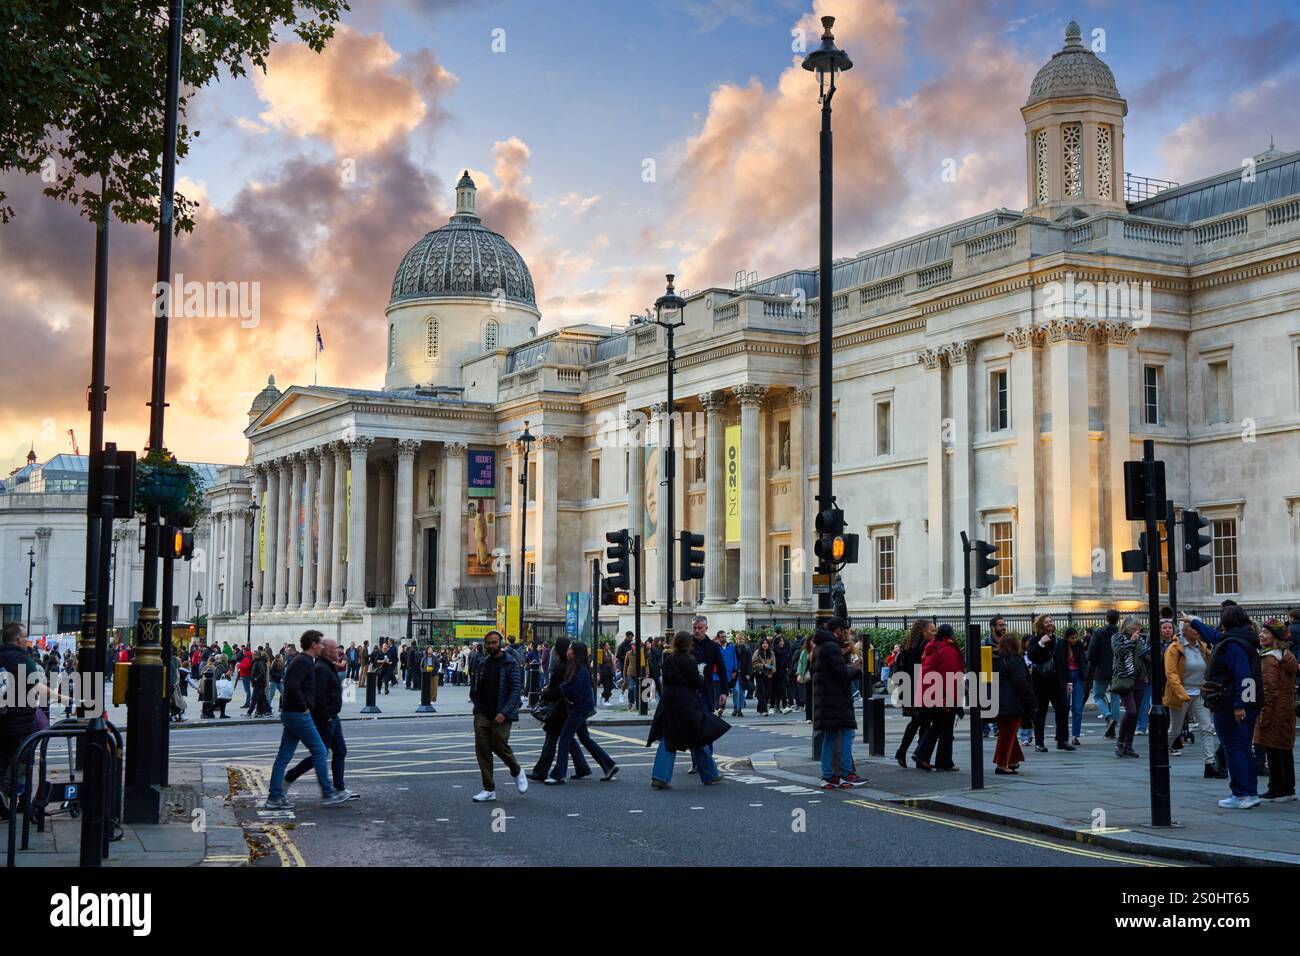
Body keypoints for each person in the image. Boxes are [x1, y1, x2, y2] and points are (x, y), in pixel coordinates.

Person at [263, 630, 350, 809]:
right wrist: (304, 707)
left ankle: (275, 796)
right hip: (297, 714)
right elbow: (292, 686)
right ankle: (327, 792)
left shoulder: (305, 661)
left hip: (293, 713)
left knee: (284, 756)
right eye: (320, 643)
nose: (322, 646)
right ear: (313, 644)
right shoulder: (303, 662)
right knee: (319, 751)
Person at [647, 630, 728, 789]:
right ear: (688, 644)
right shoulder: (689, 661)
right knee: (698, 737)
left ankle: (660, 776)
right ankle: (710, 774)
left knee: (668, 740)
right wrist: (700, 673)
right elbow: (697, 683)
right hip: (687, 703)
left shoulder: (669, 660)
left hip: (669, 702)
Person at [283, 638, 356, 800]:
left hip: (332, 717)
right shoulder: (321, 668)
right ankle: (289, 777)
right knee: (319, 753)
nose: (338, 651)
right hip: (326, 718)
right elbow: (319, 695)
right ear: (327, 651)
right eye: (335, 649)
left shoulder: (328, 666)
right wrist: (327, 717)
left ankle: (339, 787)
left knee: (340, 750)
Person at [468, 630, 527, 802]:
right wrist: (477, 705)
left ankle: (516, 771)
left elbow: (516, 690)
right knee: (482, 750)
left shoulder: (510, 663)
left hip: (502, 714)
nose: (492, 645)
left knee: (499, 745)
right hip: (482, 713)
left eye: (494, 642)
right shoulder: (482, 663)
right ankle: (488, 789)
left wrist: (504, 712)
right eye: (489, 643)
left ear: (500, 643)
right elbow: (475, 686)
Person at [547, 643, 619, 784]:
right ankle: (608, 766)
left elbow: (571, 689)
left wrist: (552, 693)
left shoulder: (580, 670)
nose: (567, 651)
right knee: (585, 738)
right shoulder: (577, 667)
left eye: (569, 649)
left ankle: (558, 774)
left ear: (575, 653)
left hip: (579, 709)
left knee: (564, 739)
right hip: (579, 707)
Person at [811, 618, 864, 789]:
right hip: (836, 699)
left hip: (826, 699)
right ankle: (845, 773)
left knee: (830, 736)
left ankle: (828, 776)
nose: (846, 635)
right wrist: (855, 668)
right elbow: (841, 673)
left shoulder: (821, 645)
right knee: (847, 733)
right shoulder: (831, 646)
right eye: (845, 631)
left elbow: (829, 671)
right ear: (839, 630)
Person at [1164, 617, 1219, 776]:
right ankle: (1161, 755)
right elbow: (1171, 673)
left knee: (1207, 727)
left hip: (1200, 692)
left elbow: (1210, 664)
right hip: (1182, 693)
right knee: (1175, 729)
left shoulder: (1202, 647)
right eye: (1195, 628)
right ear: (1185, 630)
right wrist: (1182, 694)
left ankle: (1209, 764)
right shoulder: (1174, 648)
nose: (1198, 631)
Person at [912, 623, 963, 772]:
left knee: (941, 726)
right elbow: (950, 674)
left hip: (930, 692)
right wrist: (949, 697)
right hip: (941, 694)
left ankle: (938, 759)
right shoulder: (947, 649)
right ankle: (926, 755)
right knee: (943, 727)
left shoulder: (934, 647)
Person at [1255, 622, 1297, 802]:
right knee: (1285, 748)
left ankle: (1276, 788)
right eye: (1262, 631)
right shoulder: (1287, 656)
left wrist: (1264, 714)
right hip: (1287, 707)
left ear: (1275, 637)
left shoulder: (1268, 659)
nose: (1261, 635)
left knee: (1272, 749)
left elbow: (1268, 689)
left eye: (1266, 632)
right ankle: (1288, 787)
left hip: (1273, 708)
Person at [1026, 615, 1075, 752]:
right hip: (1040, 682)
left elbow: (1064, 663)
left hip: (1057, 682)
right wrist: (1041, 643)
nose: (1049, 624)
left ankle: (1062, 740)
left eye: (1051, 621)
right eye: (1046, 622)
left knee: (1063, 710)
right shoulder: (1035, 640)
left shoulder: (1059, 642)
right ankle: (1039, 743)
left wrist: (1069, 681)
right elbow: (1031, 656)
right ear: (1041, 625)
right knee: (1040, 713)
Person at [891, 619, 934, 768]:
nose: (934, 633)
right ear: (923, 631)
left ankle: (907, 753)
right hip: (920, 688)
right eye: (931, 630)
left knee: (918, 722)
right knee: (924, 723)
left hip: (910, 688)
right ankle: (919, 756)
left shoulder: (910, 645)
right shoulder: (923, 647)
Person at [992, 632, 1036, 774]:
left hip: (996, 701)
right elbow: (1021, 682)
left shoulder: (996, 659)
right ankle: (1002, 763)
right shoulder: (1015, 660)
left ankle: (1012, 759)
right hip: (1012, 702)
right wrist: (1031, 701)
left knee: (1007, 730)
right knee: (1008, 732)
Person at [1110, 616, 1149, 758]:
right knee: (1131, 712)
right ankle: (1120, 743)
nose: (1137, 631)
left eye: (1138, 628)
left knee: (1135, 714)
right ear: (1126, 627)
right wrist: (1132, 642)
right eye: (1134, 628)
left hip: (1139, 679)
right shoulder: (1117, 637)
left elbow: (1146, 654)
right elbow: (1119, 652)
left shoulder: (1140, 639)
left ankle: (1128, 745)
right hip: (1125, 679)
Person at [1088, 608, 1121, 739]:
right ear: (1118, 619)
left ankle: (1107, 717)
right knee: (1115, 698)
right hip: (1117, 670)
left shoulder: (1099, 633)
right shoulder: (1120, 633)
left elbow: (1092, 653)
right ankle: (1113, 728)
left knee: (1098, 696)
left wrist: (1093, 665)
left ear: (1106, 619)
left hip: (1101, 669)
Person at [1063, 627, 1088, 746]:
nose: (1074, 640)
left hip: (1078, 676)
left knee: (1077, 708)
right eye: (1072, 638)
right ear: (1066, 638)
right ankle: (1064, 735)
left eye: (1075, 637)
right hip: (1065, 678)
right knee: (1065, 707)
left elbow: (1083, 661)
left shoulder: (1079, 645)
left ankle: (1075, 735)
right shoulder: (1062, 646)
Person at [752, 637, 775, 715]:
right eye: (763, 643)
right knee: (762, 691)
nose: (765, 645)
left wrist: (772, 669)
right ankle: (765, 710)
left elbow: (774, 665)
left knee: (767, 693)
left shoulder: (772, 653)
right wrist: (763, 666)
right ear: (761, 644)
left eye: (766, 643)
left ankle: (760, 708)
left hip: (768, 675)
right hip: (760, 674)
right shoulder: (757, 652)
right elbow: (754, 663)